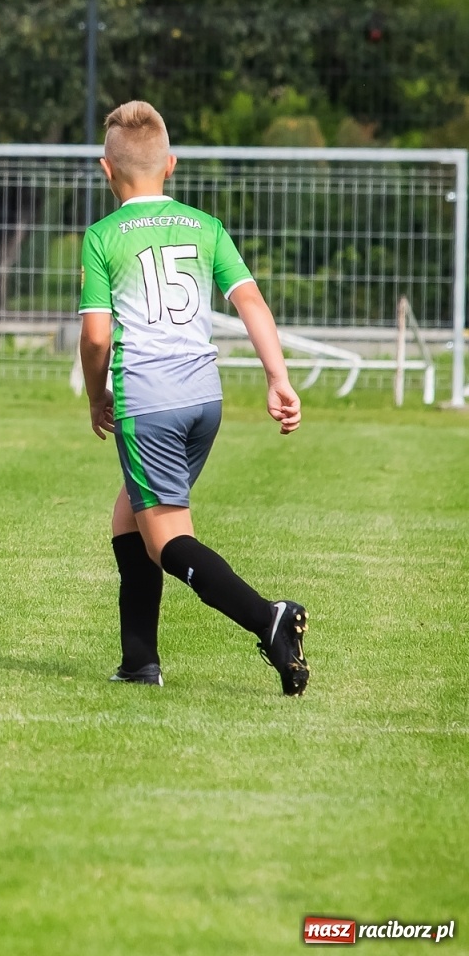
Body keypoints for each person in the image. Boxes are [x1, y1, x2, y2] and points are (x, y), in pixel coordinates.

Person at [78, 100, 308, 695]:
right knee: (129, 514)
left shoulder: (103, 236)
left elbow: (96, 334)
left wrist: (95, 392)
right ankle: (138, 661)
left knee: (166, 539)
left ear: (107, 170)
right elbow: (250, 303)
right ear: (171, 166)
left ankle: (269, 619)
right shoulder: (205, 226)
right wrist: (278, 378)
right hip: (205, 399)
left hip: (148, 399)